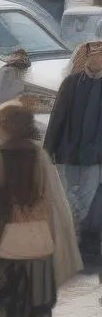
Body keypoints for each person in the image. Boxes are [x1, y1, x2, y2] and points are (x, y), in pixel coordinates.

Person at [0, 100, 81, 317]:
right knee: (31, 301)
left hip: (9, 242)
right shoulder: (40, 155)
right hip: (39, 241)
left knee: (5, 294)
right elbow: (53, 201)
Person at [43, 41, 102, 260]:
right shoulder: (71, 83)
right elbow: (57, 118)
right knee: (67, 198)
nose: (97, 59)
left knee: (88, 200)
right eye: (93, 55)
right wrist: (47, 151)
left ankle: (84, 241)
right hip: (68, 152)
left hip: (95, 157)